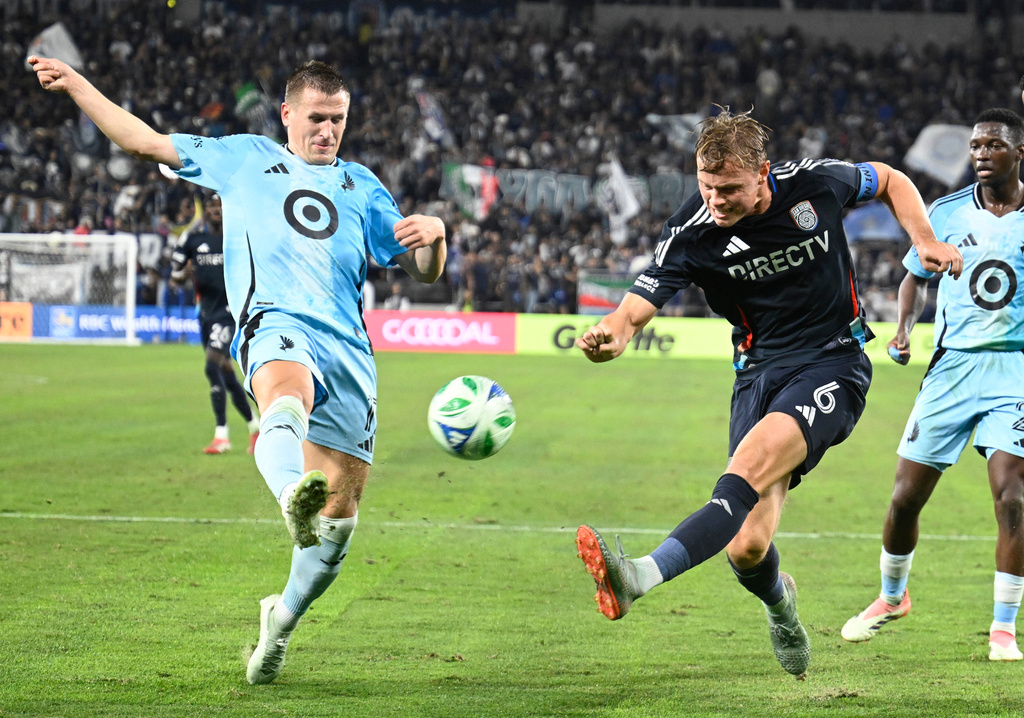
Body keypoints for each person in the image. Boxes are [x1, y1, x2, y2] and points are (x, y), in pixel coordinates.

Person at [29, 56, 447, 684]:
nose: (328, 130)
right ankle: (289, 494)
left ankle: (281, 621)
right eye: (317, 118)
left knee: (338, 524)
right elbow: (143, 141)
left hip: (351, 352)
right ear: (287, 114)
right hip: (274, 322)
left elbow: (423, 270)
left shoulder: (363, 186)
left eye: (338, 119)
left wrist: (436, 236)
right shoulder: (244, 157)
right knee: (287, 395)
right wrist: (78, 85)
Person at [573, 108, 963, 679]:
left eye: (730, 189)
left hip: (833, 361)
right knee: (746, 547)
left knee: (748, 467)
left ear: (762, 173)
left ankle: (639, 576)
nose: (716, 200)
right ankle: (782, 609)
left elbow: (888, 179)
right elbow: (632, 312)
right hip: (757, 375)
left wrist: (923, 239)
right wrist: (612, 334)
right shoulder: (692, 233)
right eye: (707, 187)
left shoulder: (815, 184)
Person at [841, 108, 1024, 661]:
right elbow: (914, 278)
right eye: (976, 145)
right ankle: (892, 597)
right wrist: (903, 330)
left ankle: (1003, 630)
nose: (981, 154)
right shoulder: (943, 212)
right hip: (952, 370)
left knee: (1013, 498)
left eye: (994, 145)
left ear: (1019, 152)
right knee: (904, 499)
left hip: (1015, 370)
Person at [169, 193, 261, 454]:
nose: (216, 209)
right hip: (206, 314)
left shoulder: (239, 239)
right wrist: (183, 275)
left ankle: (222, 436)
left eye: (220, 205)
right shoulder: (192, 239)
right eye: (211, 205)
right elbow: (175, 276)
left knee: (212, 366)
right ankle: (255, 427)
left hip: (231, 313)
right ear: (206, 211)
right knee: (226, 372)